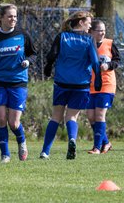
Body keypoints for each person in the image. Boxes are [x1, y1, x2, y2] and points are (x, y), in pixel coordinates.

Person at [0, 3, 37, 163]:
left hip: (18, 82)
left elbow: (33, 54)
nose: (13, 19)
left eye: (15, 16)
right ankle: (5, 154)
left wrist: (27, 61)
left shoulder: (22, 34)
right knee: (2, 119)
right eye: (10, 16)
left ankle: (22, 142)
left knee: (14, 122)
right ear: (1, 18)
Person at [40, 11, 102, 160]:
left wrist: (48, 67)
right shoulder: (89, 39)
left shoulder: (61, 36)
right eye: (88, 22)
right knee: (72, 117)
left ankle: (45, 152)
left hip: (62, 83)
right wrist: (98, 77)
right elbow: (95, 61)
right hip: (80, 85)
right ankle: (72, 140)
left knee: (56, 116)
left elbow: (52, 55)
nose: (90, 26)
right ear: (80, 23)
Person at [87, 20, 120, 154]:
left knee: (100, 116)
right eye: (99, 30)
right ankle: (106, 142)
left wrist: (108, 65)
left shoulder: (110, 44)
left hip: (106, 84)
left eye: (104, 30)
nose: (102, 32)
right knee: (90, 116)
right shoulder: (88, 44)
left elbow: (117, 61)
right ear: (92, 32)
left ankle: (97, 147)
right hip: (91, 85)